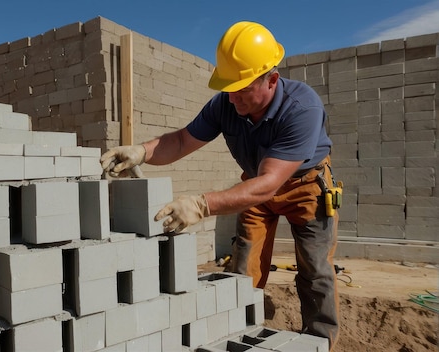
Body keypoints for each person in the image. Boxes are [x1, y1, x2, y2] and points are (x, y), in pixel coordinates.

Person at [100, 21, 340, 350]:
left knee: (314, 270)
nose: (233, 95)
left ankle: (318, 341)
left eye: (242, 87)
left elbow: (271, 182)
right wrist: (141, 151)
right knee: (244, 266)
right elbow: (183, 140)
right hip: (257, 184)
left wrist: (202, 205)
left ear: (271, 79)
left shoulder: (302, 108)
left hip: (304, 188)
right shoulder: (226, 104)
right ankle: (240, 332)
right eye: (228, 86)